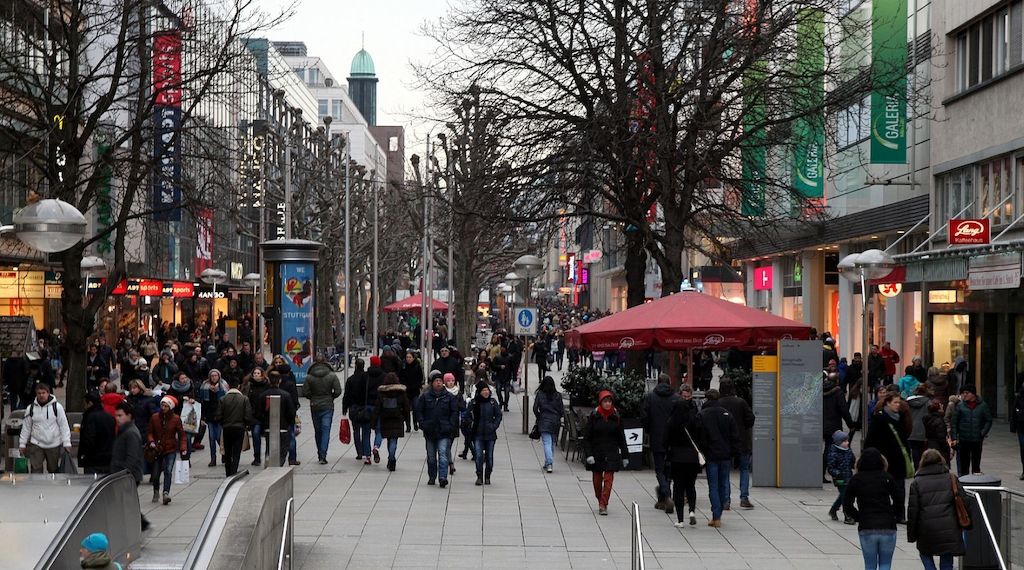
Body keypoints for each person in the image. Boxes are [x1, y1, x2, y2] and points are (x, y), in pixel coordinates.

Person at [907, 449, 967, 570]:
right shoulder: (951, 478)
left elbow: (913, 511)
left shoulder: (917, 482)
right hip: (949, 527)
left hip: (926, 528)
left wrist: (912, 535)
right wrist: (967, 524)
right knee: (947, 558)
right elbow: (964, 502)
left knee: (924, 553)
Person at [844, 448, 900, 570]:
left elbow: (847, 504)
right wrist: (892, 513)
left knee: (869, 565)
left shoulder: (856, 479)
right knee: (885, 564)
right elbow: (898, 499)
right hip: (888, 525)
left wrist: (858, 516)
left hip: (867, 525)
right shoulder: (887, 477)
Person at [865, 393, 912, 523]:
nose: (898, 405)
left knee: (900, 489)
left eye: (899, 402)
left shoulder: (900, 418)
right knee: (883, 489)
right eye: (895, 402)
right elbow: (870, 440)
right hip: (884, 461)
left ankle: (900, 514)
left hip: (898, 460)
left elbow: (904, 439)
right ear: (887, 403)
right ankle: (884, 512)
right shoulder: (879, 419)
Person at [695, 388, 739, 527]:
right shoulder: (726, 414)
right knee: (723, 483)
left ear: (706, 399)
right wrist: (733, 452)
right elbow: (734, 435)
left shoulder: (702, 415)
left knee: (713, 485)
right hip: (725, 454)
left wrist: (703, 451)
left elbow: (700, 436)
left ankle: (716, 515)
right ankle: (719, 513)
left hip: (711, 455)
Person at [583, 390, 630, 516]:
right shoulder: (594, 416)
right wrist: (589, 454)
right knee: (597, 482)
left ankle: (603, 504)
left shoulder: (616, 417)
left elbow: (621, 438)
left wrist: (625, 456)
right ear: (601, 402)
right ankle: (600, 499)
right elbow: (587, 437)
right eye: (605, 401)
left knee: (608, 480)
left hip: (611, 453)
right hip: (597, 453)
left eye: (610, 401)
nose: (608, 404)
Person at [413, 372, 460, 488]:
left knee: (443, 454)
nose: (438, 383)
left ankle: (443, 477)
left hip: (444, 431)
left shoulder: (449, 397)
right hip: (430, 431)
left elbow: (454, 412)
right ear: (432, 383)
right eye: (436, 381)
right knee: (431, 456)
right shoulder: (425, 397)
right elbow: (418, 411)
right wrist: (422, 423)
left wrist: (451, 425)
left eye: (440, 381)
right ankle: (432, 476)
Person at [663, 385, 701, 527]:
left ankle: (680, 519)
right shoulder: (693, 418)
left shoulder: (672, 421)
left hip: (677, 458)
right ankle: (692, 511)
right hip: (692, 457)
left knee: (678, 488)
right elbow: (700, 436)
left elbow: (664, 441)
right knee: (691, 486)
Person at [641, 373, 679, 512]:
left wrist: (649, 430)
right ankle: (664, 496)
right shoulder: (675, 398)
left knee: (659, 468)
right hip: (672, 438)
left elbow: (644, 416)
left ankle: (666, 495)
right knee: (668, 468)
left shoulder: (650, 397)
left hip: (657, 437)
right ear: (669, 382)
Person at [111, 402, 149, 531]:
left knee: (126, 503)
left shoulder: (131, 432)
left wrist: (124, 474)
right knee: (126, 502)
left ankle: (142, 525)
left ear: (129, 416)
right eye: (116, 416)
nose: (117, 418)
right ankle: (139, 525)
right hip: (123, 474)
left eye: (120, 415)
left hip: (128, 475)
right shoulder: (124, 430)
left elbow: (132, 457)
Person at [18, 383, 72, 473]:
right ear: (36, 394)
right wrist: (22, 444)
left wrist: (66, 442)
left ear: (48, 393)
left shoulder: (57, 407)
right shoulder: (31, 408)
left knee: (53, 469)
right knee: (35, 470)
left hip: (53, 444)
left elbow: (64, 425)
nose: (41, 395)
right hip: (36, 443)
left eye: (43, 393)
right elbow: (26, 428)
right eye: (39, 393)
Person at [718, 379, 755, 510]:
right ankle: (744, 497)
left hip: (725, 442)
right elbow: (751, 419)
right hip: (742, 441)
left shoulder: (719, 403)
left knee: (725, 471)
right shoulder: (741, 402)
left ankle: (726, 500)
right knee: (744, 469)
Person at [146, 395, 188, 505]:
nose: (163, 408)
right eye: (162, 405)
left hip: (170, 449)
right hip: (157, 449)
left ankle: (166, 493)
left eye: (166, 406)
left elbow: (182, 435)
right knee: (155, 474)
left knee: (168, 470)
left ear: (171, 407)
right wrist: (151, 441)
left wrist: (183, 447)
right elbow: (149, 432)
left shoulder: (176, 419)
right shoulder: (155, 417)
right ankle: (156, 491)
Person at [302, 355, 342, 464]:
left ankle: (319, 452)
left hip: (314, 405)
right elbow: (338, 391)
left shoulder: (309, 377)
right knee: (326, 430)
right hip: (328, 405)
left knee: (318, 430)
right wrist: (331, 397)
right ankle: (323, 454)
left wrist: (312, 397)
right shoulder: (332, 375)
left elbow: (305, 392)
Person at [214, 376, 254, 476]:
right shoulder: (244, 399)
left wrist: (223, 423)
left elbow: (218, 416)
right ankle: (234, 471)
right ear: (238, 386)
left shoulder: (223, 399)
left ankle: (228, 472)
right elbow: (248, 416)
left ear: (228, 386)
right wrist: (246, 424)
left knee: (227, 451)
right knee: (236, 452)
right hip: (239, 428)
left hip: (227, 428)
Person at [372, 373, 412, 471]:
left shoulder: (382, 393)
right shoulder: (401, 393)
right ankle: (391, 459)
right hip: (397, 419)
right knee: (393, 440)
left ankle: (385, 455)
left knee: (387, 438)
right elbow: (406, 408)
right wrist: (407, 421)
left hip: (385, 419)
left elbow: (377, 409)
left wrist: (374, 421)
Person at [950, 384, 992, 476]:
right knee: (964, 465)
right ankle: (964, 482)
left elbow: (988, 420)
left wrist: (982, 433)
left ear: (973, 394)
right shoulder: (960, 406)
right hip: (963, 439)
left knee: (976, 465)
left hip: (977, 439)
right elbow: (954, 423)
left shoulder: (982, 405)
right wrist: (954, 438)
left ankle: (975, 481)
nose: (964, 395)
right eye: (962, 393)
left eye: (966, 393)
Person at [823, 372, 854, 483]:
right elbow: (844, 410)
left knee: (824, 448)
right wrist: (850, 424)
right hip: (833, 425)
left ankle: (821, 473)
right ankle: (824, 472)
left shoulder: (821, 390)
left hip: (820, 424)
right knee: (829, 448)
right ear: (837, 381)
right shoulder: (838, 393)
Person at [470, 383, 503, 485]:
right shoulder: (474, 403)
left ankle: (488, 475)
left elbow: (498, 416)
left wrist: (493, 426)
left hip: (490, 434)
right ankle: (479, 476)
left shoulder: (493, 402)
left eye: (487, 390)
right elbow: (467, 415)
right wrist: (470, 426)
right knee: (479, 456)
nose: (486, 392)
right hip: (477, 433)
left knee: (489, 457)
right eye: (483, 390)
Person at [532, 375, 564, 473]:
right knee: (552, 443)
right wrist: (558, 417)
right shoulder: (558, 395)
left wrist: (538, 416)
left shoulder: (540, 394)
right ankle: (548, 463)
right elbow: (561, 410)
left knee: (547, 442)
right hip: (555, 421)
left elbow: (535, 408)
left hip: (544, 420)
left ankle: (549, 463)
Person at [79, 391, 115, 474]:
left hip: (93, 460)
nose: (84, 406)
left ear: (90, 403)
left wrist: (84, 454)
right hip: (108, 458)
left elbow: (88, 439)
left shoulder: (89, 417)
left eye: (85, 403)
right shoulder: (109, 417)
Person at [198, 369, 228, 467]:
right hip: (210, 415)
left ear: (219, 376)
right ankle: (213, 459)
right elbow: (203, 402)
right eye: (212, 376)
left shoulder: (223, 386)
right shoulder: (205, 386)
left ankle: (224, 453)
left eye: (215, 375)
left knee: (219, 437)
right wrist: (203, 416)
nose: (214, 377)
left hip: (220, 415)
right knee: (211, 438)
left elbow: (225, 401)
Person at [826, 431, 856, 524]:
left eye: (847, 441)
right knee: (845, 496)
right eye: (845, 441)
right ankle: (847, 514)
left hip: (848, 476)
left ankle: (833, 509)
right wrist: (837, 473)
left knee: (843, 495)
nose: (847, 443)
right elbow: (830, 468)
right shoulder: (833, 453)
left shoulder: (848, 451)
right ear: (839, 442)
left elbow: (852, 462)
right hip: (839, 478)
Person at [246, 366, 271, 466]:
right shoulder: (250, 386)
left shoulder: (267, 385)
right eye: (254, 373)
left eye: (258, 373)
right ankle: (257, 457)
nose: (256, 375)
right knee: (255, 434)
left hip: (265, 415)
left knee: (268, 436)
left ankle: (268, 456)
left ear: (262, 375)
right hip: (254, 415)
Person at [906, 384, 930, 469]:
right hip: (923, 429)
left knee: (914, 450)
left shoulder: (908, 402)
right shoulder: (927, 402)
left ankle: (916, 467)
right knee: (921, 450)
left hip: (911, 429)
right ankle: (921, 467)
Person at [1012, 381, 1024, 480]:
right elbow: (1013, 413)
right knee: (1023, 449)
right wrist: (1013, 427)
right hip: (1022, 427)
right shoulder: (1019, 397)